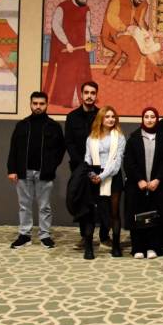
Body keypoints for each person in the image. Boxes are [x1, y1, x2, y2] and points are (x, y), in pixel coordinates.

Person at [6, 91, 65, 249]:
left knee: (44, 206)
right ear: (31, 104)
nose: (38, 106)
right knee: (24, 206)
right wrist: (12, 169)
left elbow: (61, 149)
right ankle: (24, 235)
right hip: (23, 172)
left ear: (46, 105)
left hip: (44, 173)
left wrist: (51, 166)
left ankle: (45, 235)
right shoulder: (22, 125)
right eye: (35, 103)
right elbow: (13, 148)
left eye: (41, 104)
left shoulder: (54, 126)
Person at [101, 0, 163, 81]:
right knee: (135, 47)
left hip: (134, 34)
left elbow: (140, 21)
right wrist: (126, 28)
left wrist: (147, 31)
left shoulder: (144, 4)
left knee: (146, 45)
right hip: (115, 33)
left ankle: (148, 75)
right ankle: (125, 77)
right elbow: (111, 17)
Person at [45, 0, 95, 107]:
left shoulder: (87, 9)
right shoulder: (62, 7)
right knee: (67, 74)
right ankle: (64, 100)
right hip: (66, 49)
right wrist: (66, 43)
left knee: (83, 74)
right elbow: (56, 26)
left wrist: (88, 42)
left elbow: (87, 28)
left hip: (81, 49)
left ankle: (83, 101)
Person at [124, 107, 163, 259]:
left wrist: (158, 179)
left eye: (152, 117)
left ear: (157, 119)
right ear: (142, 119)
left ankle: (152, 247)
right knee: (138, 216)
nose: (149, 120)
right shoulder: (134, 138)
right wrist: (139, 180)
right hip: (138, 186)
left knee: (155, 217)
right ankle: (138, 247)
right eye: (146, 117)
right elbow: (129, 163)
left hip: (157, 186)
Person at [84, 106, 126, 258]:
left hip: (113, 177)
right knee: (90, 213)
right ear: (101, 119)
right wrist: (91, 174)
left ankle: (116, 246)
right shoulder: (91, 138)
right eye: (107, 116)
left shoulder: (119, 137)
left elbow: (116, 162)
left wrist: (101, 177)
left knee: (114, 213)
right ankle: (89, 248)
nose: (110, 119)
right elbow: (87, 158)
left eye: (113, 116)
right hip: (93, 176)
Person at [64, 81, 102, 248]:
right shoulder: (72, 117)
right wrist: (82, 164)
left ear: (96, 95)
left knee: (100, 201)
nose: (89, 96)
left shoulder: (101, 115)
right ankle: (85, 236)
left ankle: (103, 235)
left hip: (99, 167)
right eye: (86, 92)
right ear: (81, 94)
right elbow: (69, 142)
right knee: (82, 201)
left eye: (92, 93)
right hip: (79, 166)